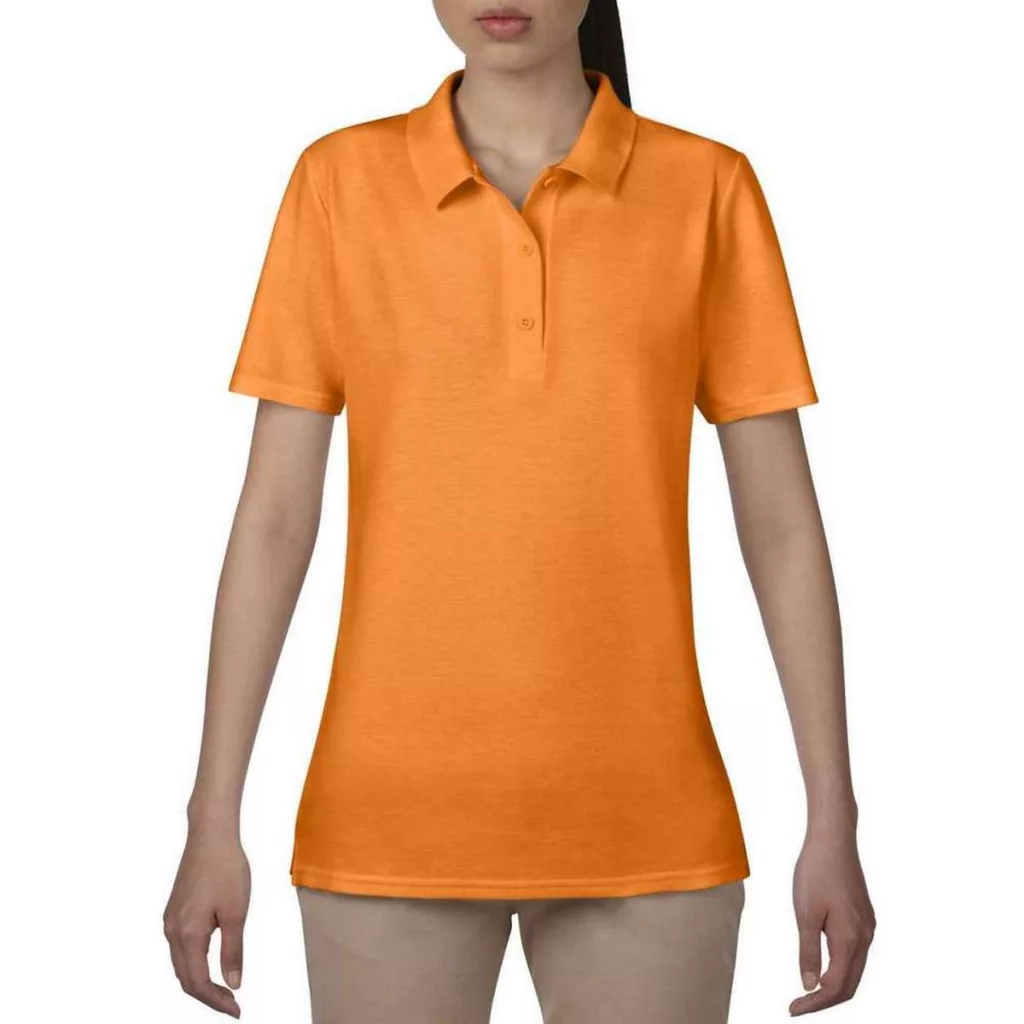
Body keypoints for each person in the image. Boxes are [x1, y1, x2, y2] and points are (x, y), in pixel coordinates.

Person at [162, 1, 876, 1020]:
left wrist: (833, 819)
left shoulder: (706, 188)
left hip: (651, 828)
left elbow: (782, 530)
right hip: (386, 824)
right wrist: (212, 816)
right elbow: (274, 520)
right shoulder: (337, 183)